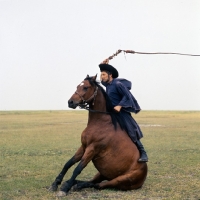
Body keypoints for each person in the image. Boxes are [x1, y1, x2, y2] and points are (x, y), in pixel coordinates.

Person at [99, 63, 148, 162]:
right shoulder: (108, 85)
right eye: (101, 75)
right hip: (112, 113)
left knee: (131, 131)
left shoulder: (118, 84)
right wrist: (104, 64)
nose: (101, 77)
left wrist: (119, 105)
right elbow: (102, 82)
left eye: (103, 74)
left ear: (110, 75)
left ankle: (143, 153)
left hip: (122, 113)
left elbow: (127, 96)